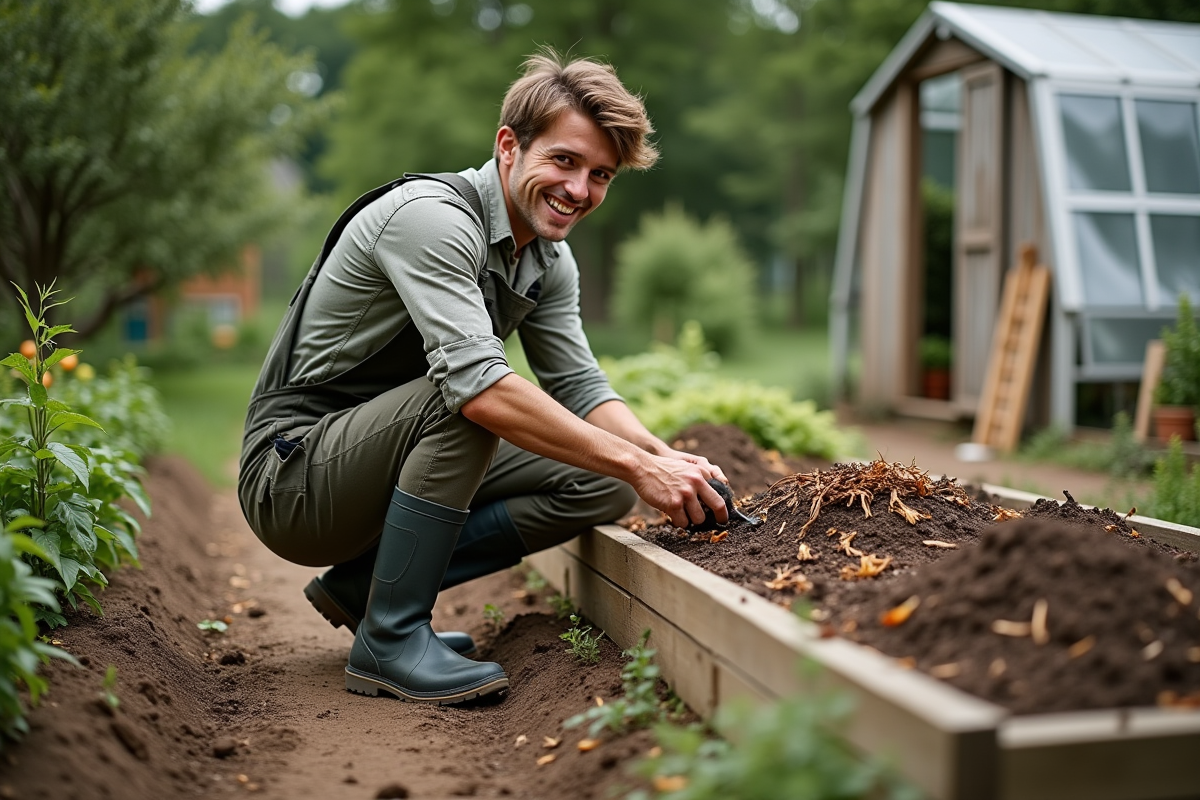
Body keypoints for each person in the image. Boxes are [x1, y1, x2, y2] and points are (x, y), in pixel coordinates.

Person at [237, 50, 729, 706]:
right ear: (508, 147)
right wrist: (642, 467)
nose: (579, 190)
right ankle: (391, 639)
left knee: (602, 482)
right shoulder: (431, 220)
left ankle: (365, 590)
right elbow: (478, 389)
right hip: (295, 479)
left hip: (376, 461)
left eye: (600, 175)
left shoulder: (547, 260)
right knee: (472, 399)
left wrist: (659, 459)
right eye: (564, 160)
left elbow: (579, 386)